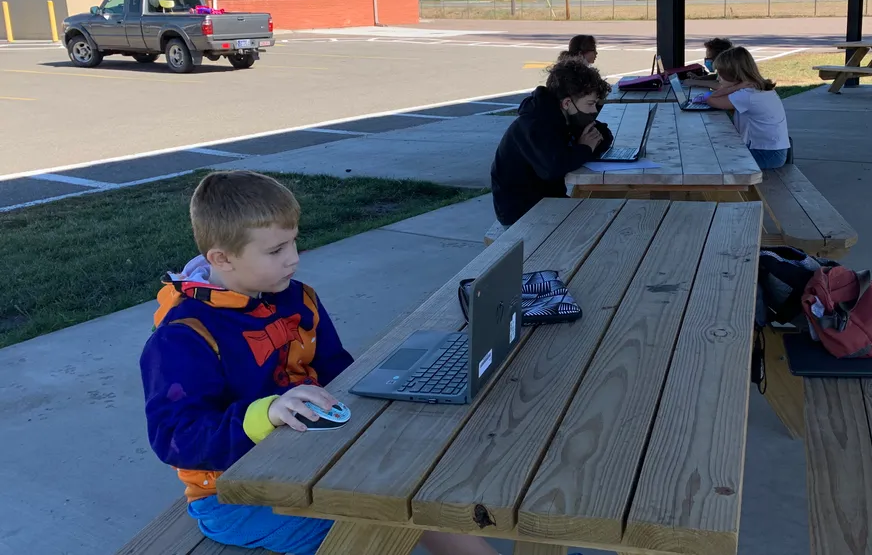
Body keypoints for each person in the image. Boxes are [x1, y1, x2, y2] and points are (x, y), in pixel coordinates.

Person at [140, 171, 498, 555]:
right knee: (385, 515)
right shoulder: (184, 335)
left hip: (318, 456)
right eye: (276, 251)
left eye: (293, 242)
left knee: (418, 481)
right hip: (235, 497)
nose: (293, 259)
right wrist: (267, 413)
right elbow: (175, 437)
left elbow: (336, 371)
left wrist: (389, 388)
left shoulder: (296, 298)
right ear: (221, 258)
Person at [491, 57, 614, 227]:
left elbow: (604, 135)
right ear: (567, 103)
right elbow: (552, 168)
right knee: (601, 224)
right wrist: (585, 148)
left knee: (605, 217)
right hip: (522, 213)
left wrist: (587, 142)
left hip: (547, 201)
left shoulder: (564, 116)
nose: (594, 110)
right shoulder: (536, 124)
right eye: (590, 104)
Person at [698, 46, 791, 170]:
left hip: (766, 154)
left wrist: (735, 87)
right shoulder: (757, 88)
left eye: (720, 74)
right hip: (772, 150)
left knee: (710, 159)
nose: (718, 78)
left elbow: (711, 99)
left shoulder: (748, 95)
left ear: (734, 75)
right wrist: (736, 87)